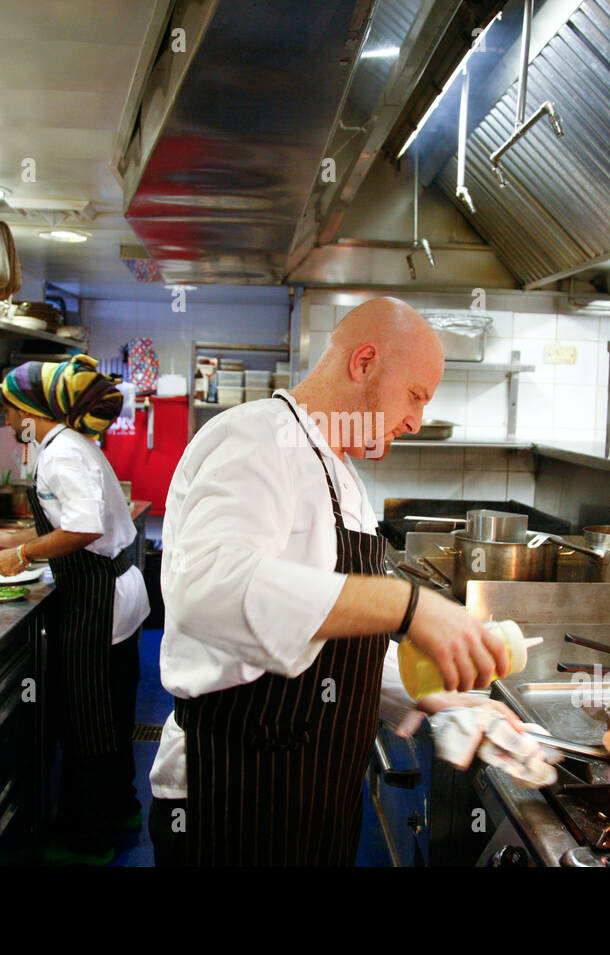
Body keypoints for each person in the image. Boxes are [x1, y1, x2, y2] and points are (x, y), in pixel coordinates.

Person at [148, 297, 520, 867]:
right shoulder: (258, 438)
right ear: (364, 361)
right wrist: (408, 603)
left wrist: (437, 696)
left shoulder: (338, 473)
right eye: (416, 395)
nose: (416, 420)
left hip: (312, 792)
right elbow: (207, 591)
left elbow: (332, 647)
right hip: (235, 794)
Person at [0, 354, 150, 864]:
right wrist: (14, 536)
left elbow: (84, 530)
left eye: (9, 408)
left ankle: (87, 842)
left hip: (96, 600)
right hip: (110, 592)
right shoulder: (69, 445)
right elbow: (75, 520)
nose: (7, 419)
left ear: (30, 410)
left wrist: (24, 553)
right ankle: (122, 808)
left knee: (87, 722)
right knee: (113, 713)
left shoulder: (60, 455)